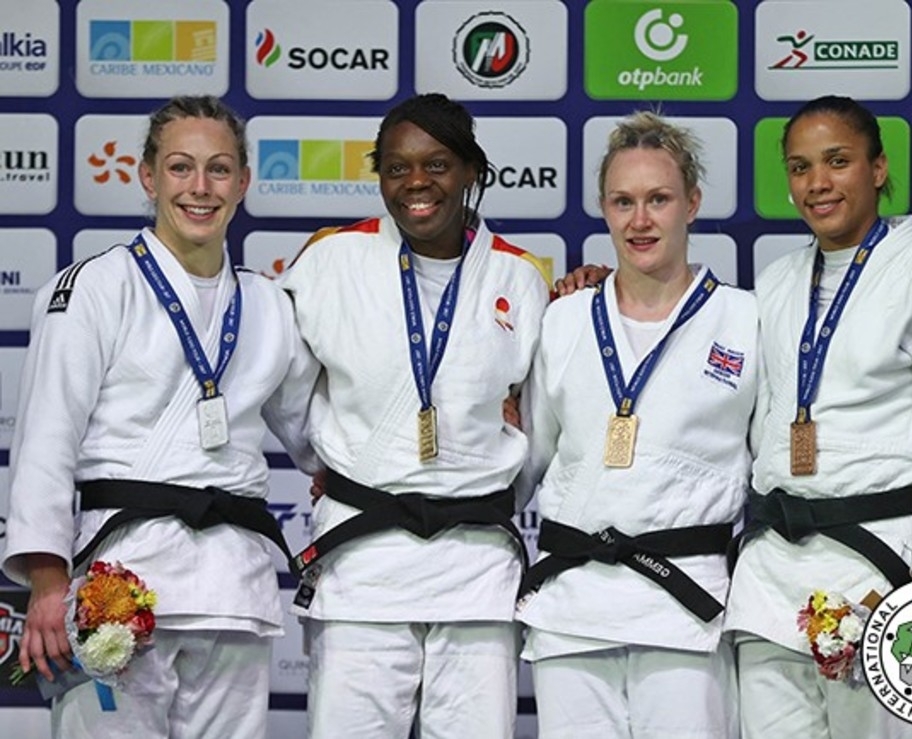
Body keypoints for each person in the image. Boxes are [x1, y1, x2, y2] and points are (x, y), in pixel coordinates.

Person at [2, 95, 321, 739]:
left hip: (233, 589)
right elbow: (46, 441)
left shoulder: (269, 305)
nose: (200, 187)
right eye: (180, 167)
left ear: (243, 182)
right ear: (148, 177)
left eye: (219, 169)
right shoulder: (94, 287)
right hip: (119, 582)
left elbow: (320, 437)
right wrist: (47, 582)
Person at [724, 95, 912, 738]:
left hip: (879, 573)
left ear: (878, 169)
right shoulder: (775, 283)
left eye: (837, 161)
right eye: (800, 167)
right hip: (770, 579)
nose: (817, 183)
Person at [279, 92, 550, 739]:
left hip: (476, 567)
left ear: (472, 171)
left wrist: (489, 493)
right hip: (362, 562)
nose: (416, 183)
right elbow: (288, 392)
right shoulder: (331, 261)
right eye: (397, 167)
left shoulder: (518, 277)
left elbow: (540, 427)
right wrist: (334, 464)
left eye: (437, 165)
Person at [515, 111, 754, 738]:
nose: (639, 220)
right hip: (572, 608)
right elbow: (527, 460)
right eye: (623, 201)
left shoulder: (745, 320)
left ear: (692, 203)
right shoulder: (564, 320)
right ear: (603, 208)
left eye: (658, 199)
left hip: (687, 610)